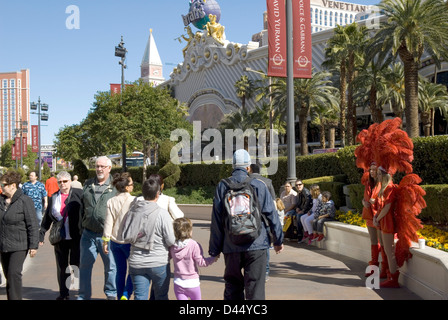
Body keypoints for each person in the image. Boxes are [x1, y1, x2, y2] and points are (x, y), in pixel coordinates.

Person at [208, 149, 284, 300]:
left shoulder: (222, 186)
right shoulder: (259, 185)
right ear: (248, 167)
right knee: (255, 288)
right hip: (257, 243)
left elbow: (216, 219)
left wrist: (214, 249)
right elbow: (271, 214)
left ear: (233, 167)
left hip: (231, 245)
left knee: (232, 287)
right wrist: (278, 240)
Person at [120, 178, 175, 300]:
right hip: (159, 262)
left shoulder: (132, 211)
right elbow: (171, 240)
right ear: (157, 194)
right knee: (161, 296)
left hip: (136, 262)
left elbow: (124, 234)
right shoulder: (162, 214)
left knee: (140, 297)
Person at [78, 156, 117, 300]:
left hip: (107, 236)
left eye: (102, 166)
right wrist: (81, 227)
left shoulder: (115, 186)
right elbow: (82, 208)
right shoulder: (88, 185)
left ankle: (111, 294)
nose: (99, 169)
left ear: (109, 168)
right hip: (88, 234)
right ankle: (83, 295)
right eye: (97, 166)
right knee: (84, 266)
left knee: (111, 267)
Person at [39, 171, 83, 300]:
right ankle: (64, 293)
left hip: (76, 235)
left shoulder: (79, 194)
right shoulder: (54, 197)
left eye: (65, 181)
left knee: (75, 263)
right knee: (61, 266)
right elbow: (47, 218)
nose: (62, 184)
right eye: (60, 182)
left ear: (70, 181)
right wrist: (41, 234)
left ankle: (77, 288)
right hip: (60, 237)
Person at [0, 171, 39, 300]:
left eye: (5, 184)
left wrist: (33, 245)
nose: (2, 187)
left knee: (13, 273)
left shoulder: (24, 200)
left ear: (13, 185)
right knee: (8, 276)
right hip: (3, 244)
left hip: (19, 245)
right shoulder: (1, 201)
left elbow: (32, 224)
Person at [102, 172, 135, 300]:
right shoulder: (134, 200)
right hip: (129, 242)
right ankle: (126, 294)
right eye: (131, 184)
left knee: (120, 271)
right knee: (133, 271)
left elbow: (108, 223)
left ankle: (120, 295)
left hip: (115, 242)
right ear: (126, 187)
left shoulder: (111, 201)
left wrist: (105, 241)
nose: (133, 186)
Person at [170, 217, 218, 300]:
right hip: (193, 283)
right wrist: (213, 258)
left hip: (178, 282)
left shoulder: (172, 246)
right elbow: (201, 263)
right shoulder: (194, 245)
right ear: (189, 231)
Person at [373, 166, 399, 288]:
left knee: (389, 252)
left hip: (387, 222)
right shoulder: (383, 188)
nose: (377, 176)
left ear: (385, 175)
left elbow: (387, 208)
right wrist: (376, 217)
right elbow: (380, 207)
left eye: (379, 174)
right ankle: (390, 275)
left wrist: (377, 218)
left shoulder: (390, 188)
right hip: (382, 221)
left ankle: (393, 279)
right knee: (386, 250)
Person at [361, 162, 386, 278]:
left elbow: (386, 201)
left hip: (378, 216)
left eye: (374, 170)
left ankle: (384, 269)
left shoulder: (383, 184)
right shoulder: (368, 184)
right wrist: (363, 202)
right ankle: (373, 268)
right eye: (370, 170)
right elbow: (364, 198)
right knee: (373, 242)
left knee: (383, 244)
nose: (371, 172)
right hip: (369, 216)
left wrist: (373, 202)